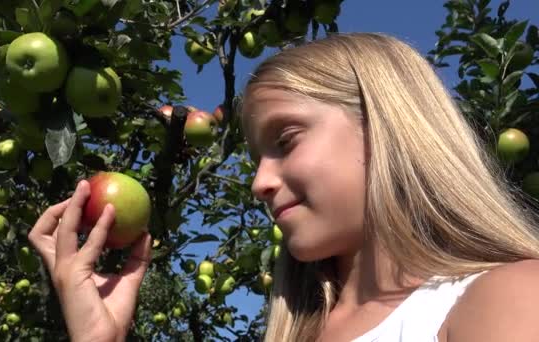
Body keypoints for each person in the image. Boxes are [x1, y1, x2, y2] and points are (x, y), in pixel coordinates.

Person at [29, 32, 539, 342]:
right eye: (256, 158)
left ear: (386, 125)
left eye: (286, 140)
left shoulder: (503, 299)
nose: (258, 183)